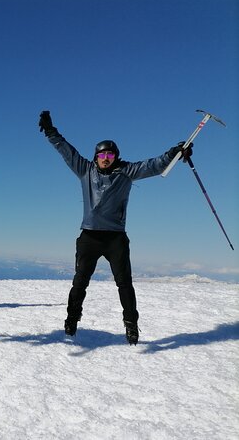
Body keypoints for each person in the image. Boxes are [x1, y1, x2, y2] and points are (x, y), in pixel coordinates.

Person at [38, 110, 191, 345]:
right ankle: (71, 320)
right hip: (89, 236)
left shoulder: (127, 172)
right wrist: (50, 131)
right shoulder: (85, 170)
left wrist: (174, 153)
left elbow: (155, 165)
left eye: (110, 154)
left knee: (124, 284)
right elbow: (65, 150)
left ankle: (131, 326)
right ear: (96, 157)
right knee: (80, 282)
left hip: (115, 239)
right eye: (102, 154)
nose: (106, 158)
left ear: (116, 156)